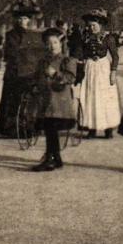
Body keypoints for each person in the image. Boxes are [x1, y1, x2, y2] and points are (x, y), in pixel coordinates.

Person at [0, 0, 44, 137]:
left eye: (25, 19)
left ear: (29, 20)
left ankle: (30, 125)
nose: (23, 21)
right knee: (13, 100)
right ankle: (12, 127)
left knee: (32, 100)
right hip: (15, 72)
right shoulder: (11, 35)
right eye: (20, 19)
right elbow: (11, 53)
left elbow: (39, 53)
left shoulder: (35, 35)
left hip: (30, 71)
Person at [30, 28, 78, 172]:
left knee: (51, 129)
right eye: (49, 43)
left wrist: (56, 74)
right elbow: (37, 77)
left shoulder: (67, 60)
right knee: (49, 129)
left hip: (59, 103)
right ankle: (56, 158)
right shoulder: (43, 61)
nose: (52, 46)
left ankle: (50, 158)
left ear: (61, 43)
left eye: (55, 42)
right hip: (45, 102)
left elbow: (70, 78)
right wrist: (34, 86)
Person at [76, 9, 121, 139]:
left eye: (94, 25)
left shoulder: (108, 38)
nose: (91, 28)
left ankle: (108, 128)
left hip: (103, 68)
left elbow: (115, 56)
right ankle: (91, 128)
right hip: (90, 68)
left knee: (105, 97)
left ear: (100, 25)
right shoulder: (85, 38)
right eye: (89, 26)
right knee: (90, 96)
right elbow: (81, 53)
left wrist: (113, 72)